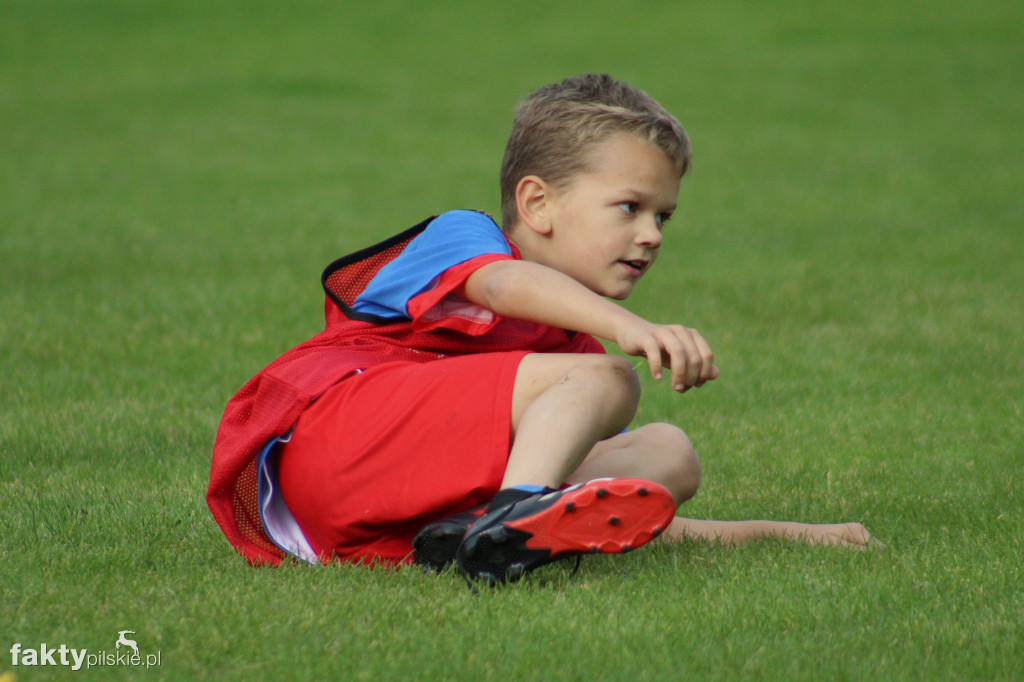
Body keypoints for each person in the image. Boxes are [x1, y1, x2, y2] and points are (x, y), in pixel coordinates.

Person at [206, 74, 873, 586]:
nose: (650, 235)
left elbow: (612, 517)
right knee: (609, 378)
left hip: (388, 517)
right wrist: (627, 329)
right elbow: (503, 285)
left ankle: (489, 530)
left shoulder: (566, 365)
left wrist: (789, 533)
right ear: (537, 203)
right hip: (332, 446)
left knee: (670, 454)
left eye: (663, 217)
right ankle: (512, 511)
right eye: (629, 207)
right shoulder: (467, 239)